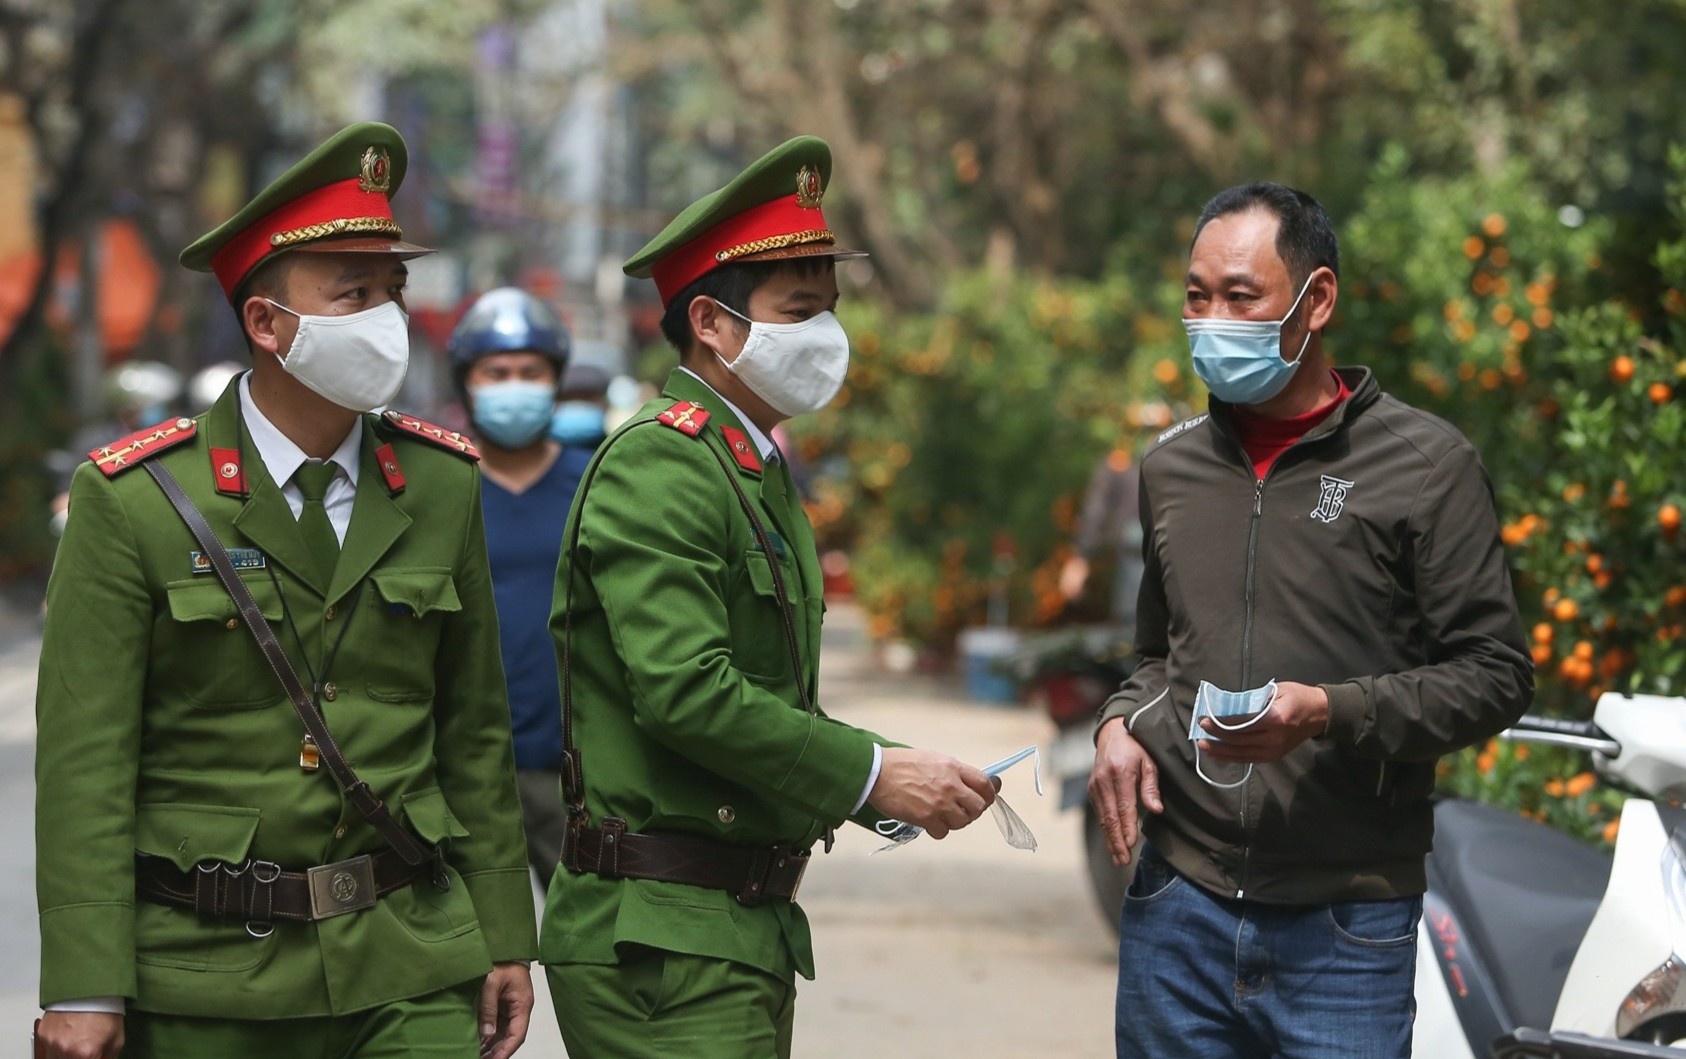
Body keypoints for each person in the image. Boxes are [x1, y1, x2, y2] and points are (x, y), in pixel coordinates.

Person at [34, 122, 537, 1059]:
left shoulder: (441, 483)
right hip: (209, 972)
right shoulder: (137, 499)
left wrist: (506, 929)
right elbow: (85, 765)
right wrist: (83, 982)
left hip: (410, 960)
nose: (386, 316)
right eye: (354, 293)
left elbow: (473, 728)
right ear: (267, 324)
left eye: (395, 290)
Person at [540, 135, 999, 1058]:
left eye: (828, 309)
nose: (825, 334)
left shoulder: (746, 464)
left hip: (722, 923)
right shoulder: (663, 464)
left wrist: (893, 775)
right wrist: (871, 773)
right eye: (799, 311)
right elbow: (686, 691)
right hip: (661, 938)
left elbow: (772, 699)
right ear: (710, 324)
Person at [1088, 182, 1533, 1059]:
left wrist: (1330, 709)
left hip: (1347, 927)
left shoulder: (1426, 467)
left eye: (1241, 296)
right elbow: (1155, 656)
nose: (1213, 318)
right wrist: (1116, 723)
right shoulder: (1172, 467)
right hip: (1177, 907)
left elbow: (1493, 672)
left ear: (1315, 299)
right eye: (1196, 295)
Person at [448, 286, 593, 886]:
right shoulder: (442, 484)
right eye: (497, 372)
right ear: (468, 384)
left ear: (555, 380)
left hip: (575, 767)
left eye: (530, 372)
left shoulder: (594, 482)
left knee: (588, 945)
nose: (514, 385)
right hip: (464, 766)